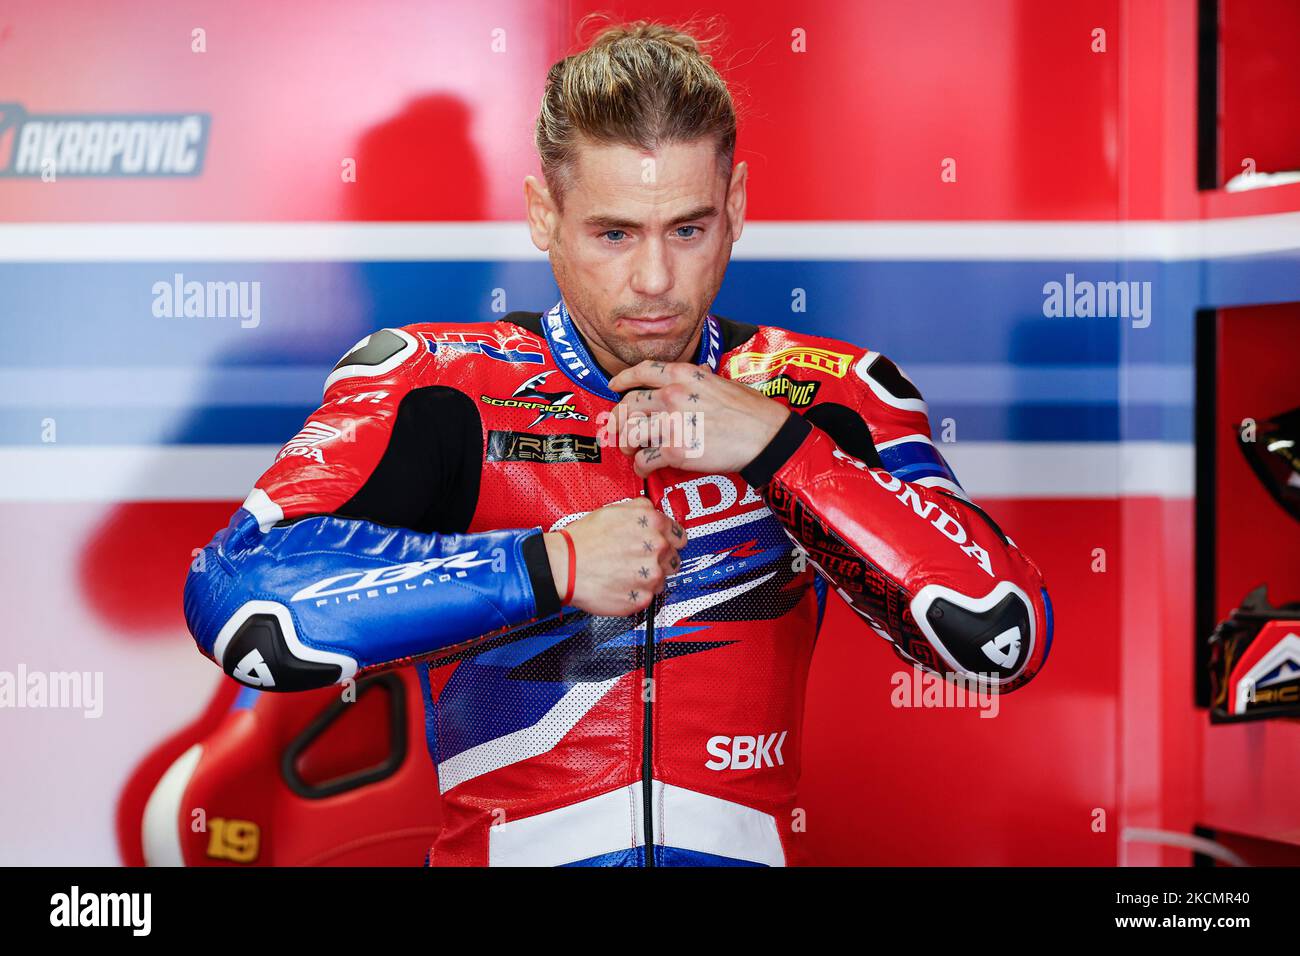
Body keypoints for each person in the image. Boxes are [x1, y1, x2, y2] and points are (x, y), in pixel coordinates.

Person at [183, 19, 1052, 867]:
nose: (654, 281)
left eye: (688, 228)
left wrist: (778, 446)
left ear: (737, 207)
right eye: (613, 234)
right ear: (543, 214)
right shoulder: (441, 382)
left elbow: (1003, 633)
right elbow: (238, 602)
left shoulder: (832, 392)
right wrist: (545, 568)